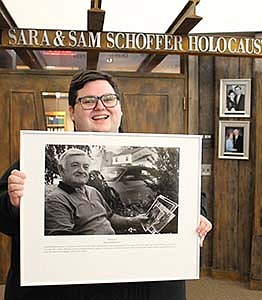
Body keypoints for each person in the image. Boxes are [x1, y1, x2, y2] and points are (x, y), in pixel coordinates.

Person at [0, 70, 212, 300]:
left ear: (119, 108)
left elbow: (192, 195)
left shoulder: (151, 151)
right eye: (88, 100)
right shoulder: (34, 160)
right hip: (70, 286)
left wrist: (197, 217)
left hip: (140, 285)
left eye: (109, 99)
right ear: (72, 111)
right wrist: (14, 203)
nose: (100, 106)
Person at [45, 148, 148, 235]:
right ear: (61, 169)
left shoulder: (93, 191)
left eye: (85, 167)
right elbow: (64, 242)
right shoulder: (56, 199)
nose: (82, 170)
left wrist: (132, 221)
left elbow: (110, 217)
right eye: (75, 165)